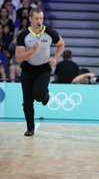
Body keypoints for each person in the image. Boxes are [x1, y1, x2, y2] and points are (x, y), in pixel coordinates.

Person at [15, 8, 65, 137]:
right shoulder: (23, 35)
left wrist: (55, 58)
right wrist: (32, 51)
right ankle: (30, 129)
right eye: (36, 18)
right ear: (30, 19)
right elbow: (19, 57)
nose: (39, 21)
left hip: (43, 69)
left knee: (38, 95)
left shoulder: (49, 33)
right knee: (27, 101)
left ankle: (45, 96)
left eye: (41, 18)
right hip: (27, 69)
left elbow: (61, 44)